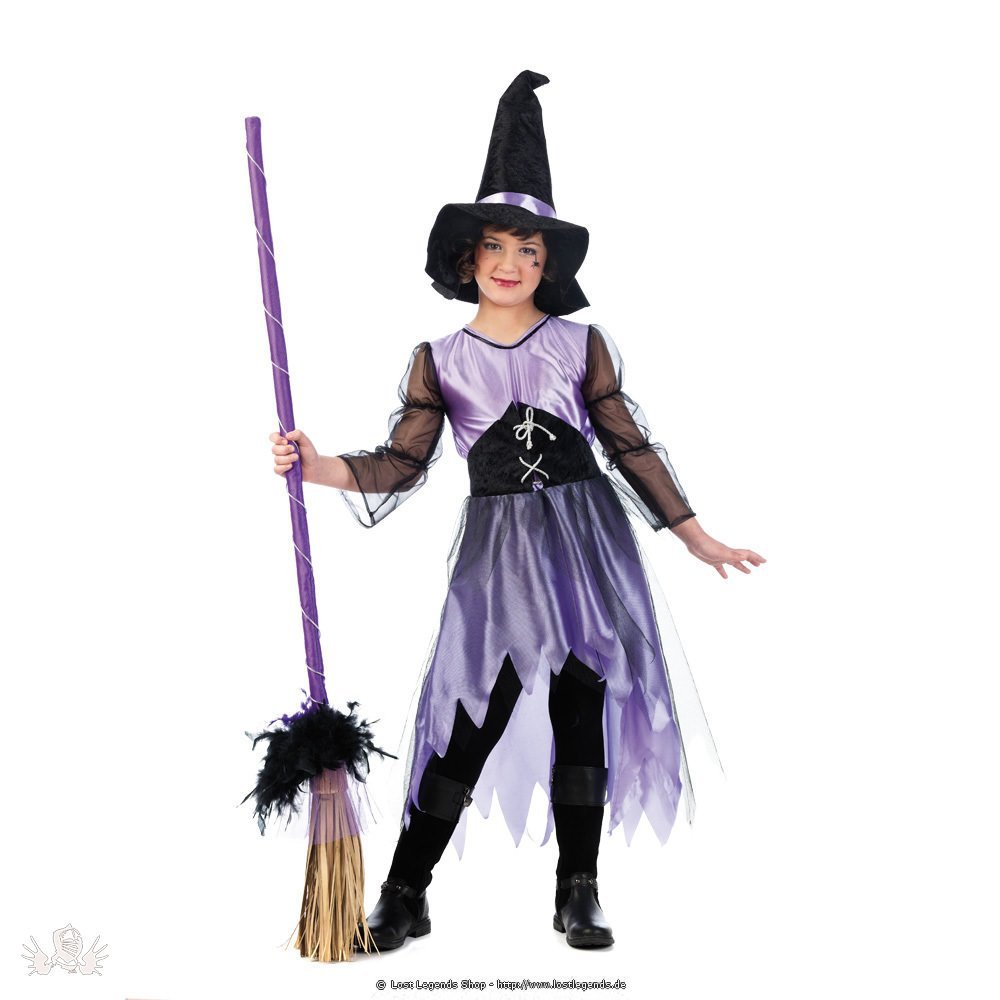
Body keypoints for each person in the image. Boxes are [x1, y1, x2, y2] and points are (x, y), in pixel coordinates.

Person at [269, 70, 765, 951]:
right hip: (500, 559)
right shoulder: (441, 359)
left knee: (581, 704)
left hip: (585, 548)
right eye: (496, 247)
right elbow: (402, 463)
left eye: (530, 251)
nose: (511, 263)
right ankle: (406, 890)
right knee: (471, 711)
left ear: (549, 264)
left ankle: (578, 889)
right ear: (469, 259)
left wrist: (693, 534)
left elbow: (628, 444)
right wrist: (320, 468)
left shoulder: (580, 344)